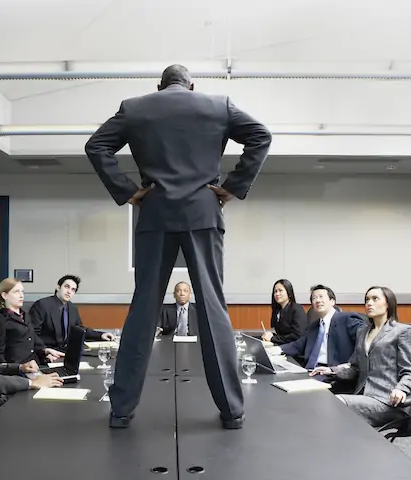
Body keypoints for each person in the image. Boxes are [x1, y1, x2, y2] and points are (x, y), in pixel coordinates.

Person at [85, 64, 271, 429]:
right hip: (203, 210)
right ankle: (232, 411)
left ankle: (121, 410)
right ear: (191, 85)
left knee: (143, 309)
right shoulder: (219, 105)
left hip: (154, 212)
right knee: (213, 307)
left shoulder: (135, 107)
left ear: (159, 86)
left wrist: (127, 191)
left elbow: (96, 145)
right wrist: (233, 186)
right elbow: (260, 136)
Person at [311, 286, 411, 427]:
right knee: (319, 402)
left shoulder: (403, 331)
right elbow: (355, 368)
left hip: (388, 400)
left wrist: (401, 389)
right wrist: (332, 370)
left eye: (375, 299)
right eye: (367, 299)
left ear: (388, 304)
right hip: (362, 396)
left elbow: (409, 372)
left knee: (334, 404)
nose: (369, 303)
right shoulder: (362, 332)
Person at [273, 284, 364, 369]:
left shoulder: (347, 319)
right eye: (314, 298)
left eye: (321, 297)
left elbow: (364, 343)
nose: (318, 300)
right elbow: (297, 345)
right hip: (310, 370)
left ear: (332, 301)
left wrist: (347, 367)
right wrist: (275, 350)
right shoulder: (314, 326)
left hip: (333, 373)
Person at [29, 274, 115, 351]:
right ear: (58, 287)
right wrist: (44, 350)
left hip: (66, 351)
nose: (69, 291)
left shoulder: (72, 308)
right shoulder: (42, 305)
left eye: (73, 290)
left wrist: (101, 335)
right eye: (66, 287)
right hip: (46, 352)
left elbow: (80, 330)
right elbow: (31, 333)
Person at [0, 278, 64, 365]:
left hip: (35, 363)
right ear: (4, 295)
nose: (21, 295)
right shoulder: (0, 319)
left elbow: (32, 338)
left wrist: (45, 351)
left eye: (22, 292)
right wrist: (8, 371)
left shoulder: (25, 315)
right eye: (16, 292)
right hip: (19, 368)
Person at [261, 279, 307, 345]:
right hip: (282, 345)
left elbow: (297, 335)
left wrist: (273, 338)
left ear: (288, 292)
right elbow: (282, 334)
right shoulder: (277, 310)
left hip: (295, 348)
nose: (277, 294)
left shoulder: (297, 308)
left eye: (280, 291)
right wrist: (269, 335)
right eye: (275, 291)